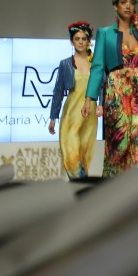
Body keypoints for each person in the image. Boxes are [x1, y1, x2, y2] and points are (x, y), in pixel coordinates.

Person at [85, 0, 138, 178]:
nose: (128, 6)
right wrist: (90, 98)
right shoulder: (105, 33)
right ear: (115, 6)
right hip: (116, 91)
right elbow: (98, 67)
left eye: (131, 3)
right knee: (119, 142)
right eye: (123, 2)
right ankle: (115, 187)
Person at [48, 21, 102, 180]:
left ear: (88, 41)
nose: (80, 42)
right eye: (77, 39)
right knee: (71, 153)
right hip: (71, 113)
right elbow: (58, 91)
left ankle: (81, 187)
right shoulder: (65, 64)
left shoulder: (96, 64)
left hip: (90, 114)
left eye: (84, 39)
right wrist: (53, 117)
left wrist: (102, 104)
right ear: (72, 41)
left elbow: (102, 85)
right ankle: (80, 183)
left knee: (85, 153)